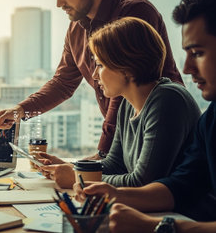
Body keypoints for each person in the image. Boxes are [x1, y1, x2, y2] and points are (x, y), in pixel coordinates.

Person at [0, 0, 183, 160]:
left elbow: (123, 92)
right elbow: (62, 83)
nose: (59, 3)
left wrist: (102, 154)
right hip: (125, 142)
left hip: (161, 131)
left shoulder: (134, 11)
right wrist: (19, 110)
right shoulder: (76, 28)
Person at [73, 0, 216, 232]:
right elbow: (181, 184)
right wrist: (113, 193)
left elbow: (145, 180)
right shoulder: (211, 118)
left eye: (198, 53)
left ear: (125, 67)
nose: (187, 68)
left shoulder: (168, 99)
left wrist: (158, 227)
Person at [37, 17, 201, 188]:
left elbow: (142, 182)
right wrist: (73, 167)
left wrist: (79, 178)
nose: (94, 75)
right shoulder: (127, 104)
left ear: (127, 67)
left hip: (187, 213)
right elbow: (115, 164)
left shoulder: (167, 101)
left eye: (100, 65)